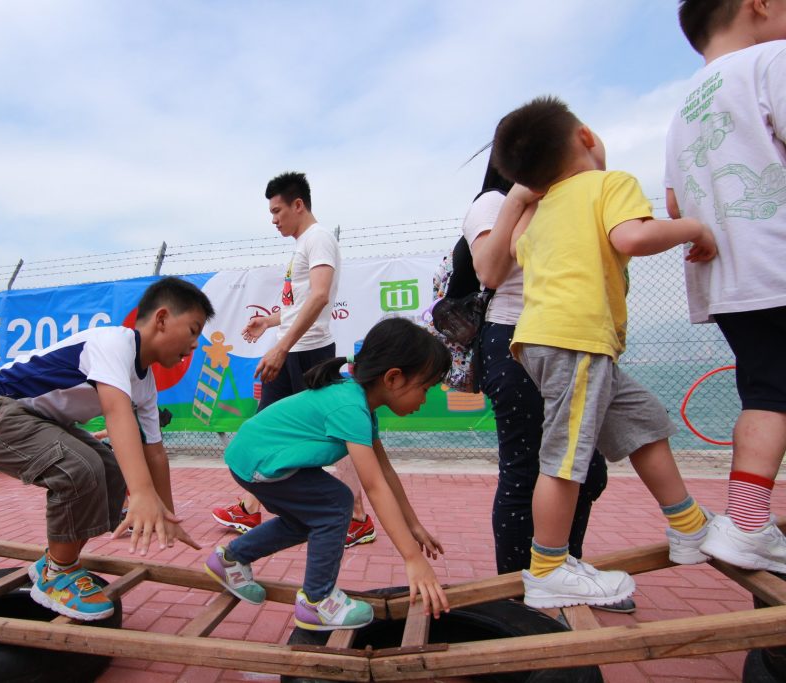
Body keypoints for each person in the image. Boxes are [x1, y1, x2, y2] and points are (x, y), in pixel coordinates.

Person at [491, 95, 718, 609]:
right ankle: (547, 568)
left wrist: (531, 197)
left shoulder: (543, 209)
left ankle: (688, 526)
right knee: (565, 456)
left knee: (644, 419)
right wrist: (696, 228)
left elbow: (516, 248)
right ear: (587, 137)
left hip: (548, 343)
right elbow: (632, 237)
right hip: (576, 340)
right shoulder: (608, 184)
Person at [0, 276, 214, 621]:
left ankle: (55, 562)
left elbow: (154, 451)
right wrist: (139, 494)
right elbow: (115, 414)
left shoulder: (145, 384)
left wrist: (166, 513)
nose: (195, 344)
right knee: (78, 467)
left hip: (38, 420)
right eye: (194, 330)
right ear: (163, 318)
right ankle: (58, 574)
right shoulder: (112, 343)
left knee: (108, 468)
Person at [204, 317, 450, 630]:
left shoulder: (358, 403)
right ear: (393, 378)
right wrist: (412, 559)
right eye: (425, 389)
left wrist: (413, 525)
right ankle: (317, 601)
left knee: (309, 518)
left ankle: (231, 559)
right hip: (258, 458)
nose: (424, 400)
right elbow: (373, 487)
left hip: (252, 455)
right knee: (336, 503)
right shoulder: (349, 406)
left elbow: (385, 473)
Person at [461, 163, 621, 603]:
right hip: (514, 340)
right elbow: (490, 273)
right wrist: (518, 196)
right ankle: (516, 593)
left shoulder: (567, 200)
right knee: (526, 469)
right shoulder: (491, 203)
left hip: (574, 340)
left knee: (585, 471)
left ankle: (562, 571)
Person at [665, 0, 786, 573]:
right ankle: (746, 525)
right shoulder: (773, 61)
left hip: (731, 281)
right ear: (759, 5)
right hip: (778, 259)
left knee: (768, 392)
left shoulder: (683, 107)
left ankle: (747, 520)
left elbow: (672, 203)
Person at [212, 171, 377, 548]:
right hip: (294, 350)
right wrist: (270, 320)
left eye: (277, 210)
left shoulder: (318, 238)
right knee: (263, 426)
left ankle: (357, 517)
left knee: (338, 432)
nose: (273, 220)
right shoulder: (305, 243)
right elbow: (303, 302)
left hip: (310, 354)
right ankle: (249, 505)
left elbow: (319, 297)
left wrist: (281, 345)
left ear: (298, 205)